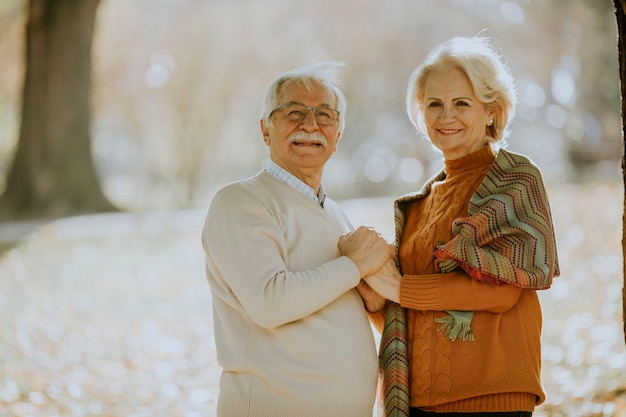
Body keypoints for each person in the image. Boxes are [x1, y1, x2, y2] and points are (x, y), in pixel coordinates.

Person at [345, 36, 560, 417]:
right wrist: (378, 301)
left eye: (462, 103)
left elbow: (502, 293)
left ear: (491, 111)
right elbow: (414, 311)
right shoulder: (418, 206)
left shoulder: (514, 180)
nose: (447, 117)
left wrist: (396, 285)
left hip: (492, 397)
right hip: (417, 400)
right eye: (434, 104)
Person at [201, 61, 393, 417]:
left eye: (325, 115)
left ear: (338, 134)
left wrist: (372, 297)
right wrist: (354, 266)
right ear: (265, 129)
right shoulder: (241, 202)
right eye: (294, 112)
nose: (310, 125)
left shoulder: (335, 213)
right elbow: (270, 302)